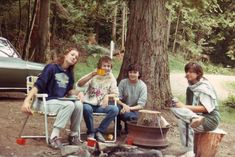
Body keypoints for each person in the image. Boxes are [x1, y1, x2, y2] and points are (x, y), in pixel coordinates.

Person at [21, 47, 83, 149]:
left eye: (76, 58)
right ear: (66, 54)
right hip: (44, 102)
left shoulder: (69, 74)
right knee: (69, 104)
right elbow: (38, 85)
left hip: (59, 102)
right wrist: (27, 100)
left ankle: (73, 135)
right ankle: (54, 137)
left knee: (79, 104)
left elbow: (69, 91)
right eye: (72, 55)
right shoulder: (51, 68)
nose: (74, 58)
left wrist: (79, 93)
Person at [170, 62, 220, 157]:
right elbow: (188, 108)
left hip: (210, 119)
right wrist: (177, 104)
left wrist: (183, 106)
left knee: (184, 121)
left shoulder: (204, 87)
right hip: (197, 117)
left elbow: (206, 108)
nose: (188, 74)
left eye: (191, 72)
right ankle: (194, 119)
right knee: (173, 107)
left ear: (198, 73)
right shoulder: (190, 88)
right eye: (186, 71)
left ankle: (189, 152)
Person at [77, 56, 119, 142]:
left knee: (115, 109)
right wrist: (91, 75)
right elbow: (79, 84)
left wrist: (107, 96)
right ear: (99, 66)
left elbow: (116, 93)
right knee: (86, 108)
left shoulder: (111, 78)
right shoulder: (94, 74)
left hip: (101, 106)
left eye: (109, 66)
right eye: (104, 66)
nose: (106, 68)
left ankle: (99, 131)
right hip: (89, 103)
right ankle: (91, 132)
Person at [116, 64, 147, 135]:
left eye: (135, 72)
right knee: (115, 108)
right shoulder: (123, 82)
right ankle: (117, 128)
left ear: (139, 74)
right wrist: (123, 105)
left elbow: (141, 105)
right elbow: (117, 98)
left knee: (131, 117)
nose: (132, 74)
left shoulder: (142, 86)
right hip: (122, 107)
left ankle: (128, 128)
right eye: (130, 72)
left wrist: (129, 108)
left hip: (135, 109)